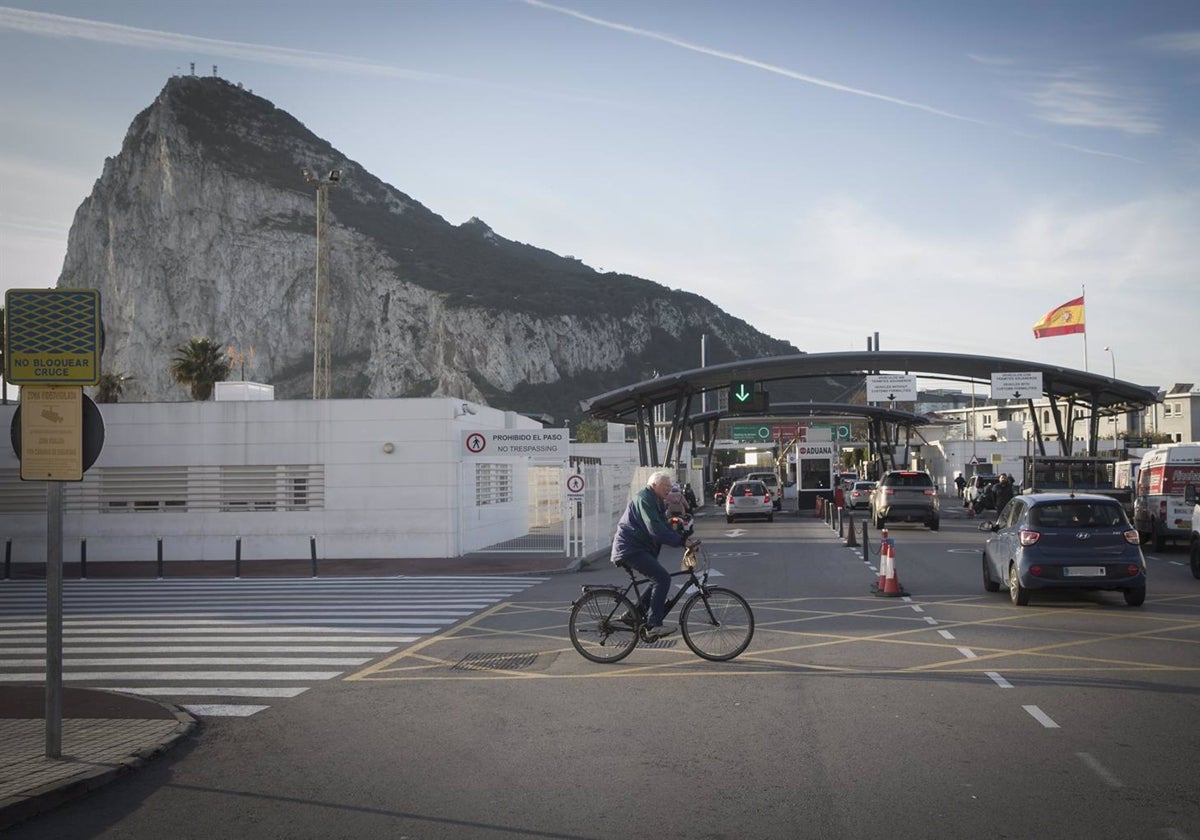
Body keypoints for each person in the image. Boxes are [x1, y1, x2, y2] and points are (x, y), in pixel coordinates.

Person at [610, 471, 699, 640]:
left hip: (638, 548)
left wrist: (684, 539)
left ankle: (633, 614)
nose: (669, 490)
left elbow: (663, 526)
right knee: (662, 579)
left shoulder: (656, 500)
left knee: (657, 579)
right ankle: (653, 625)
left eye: (670, 487)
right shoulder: (645, 498)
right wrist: (681, 542)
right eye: (665, 486)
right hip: (630, 549)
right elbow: (654, 529)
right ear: (654, 485)